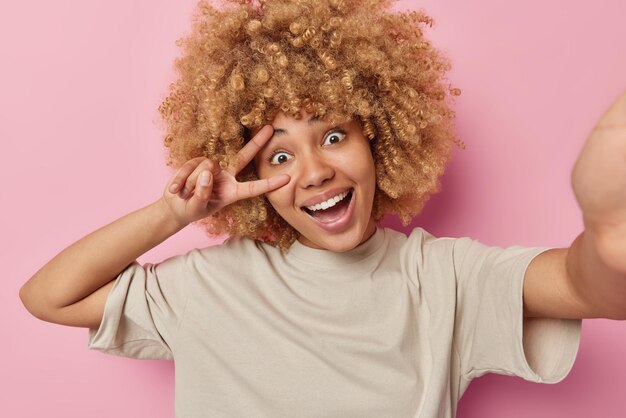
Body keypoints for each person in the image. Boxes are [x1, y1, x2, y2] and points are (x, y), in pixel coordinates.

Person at [18, 0, 626, 416]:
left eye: (333, 135)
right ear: (249, 173)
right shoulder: (208, 288)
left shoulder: (444, 278)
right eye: (278, 156)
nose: (314, 171)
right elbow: (48, 297)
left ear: (379, 139)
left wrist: (604, 233)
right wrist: (172, 215)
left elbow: (586, 287)